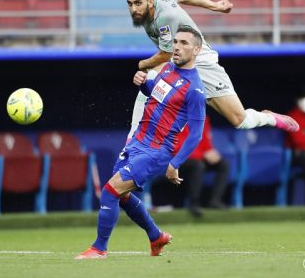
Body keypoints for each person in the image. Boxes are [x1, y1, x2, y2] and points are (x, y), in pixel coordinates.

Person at [75, 26, 207, 259]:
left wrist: (175, 163)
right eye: (175, 42)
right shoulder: (167, 68)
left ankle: (99, 249)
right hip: (137, 142)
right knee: (122, 197)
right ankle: (156, 236)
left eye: (184, 43)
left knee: (110, 190)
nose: (176, 46)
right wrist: (143, 83)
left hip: (157, 150)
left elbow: (196, 134)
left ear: (196, 50)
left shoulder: (195, 89)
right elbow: (156, 96)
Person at [126, 0, 299, 140]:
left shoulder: (165, 17)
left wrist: (143, 64)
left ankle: (268, 117)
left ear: (150, 2)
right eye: (130, 4)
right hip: (179, 62)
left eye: (138, 3)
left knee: (240, 120)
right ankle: (132, 139)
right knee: (148, 83)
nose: (133, 8)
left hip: (199, 62)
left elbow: (165, 53)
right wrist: (214, 5)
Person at [176, 115, 229, 217]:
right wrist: (202, 154)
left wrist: (209, 151)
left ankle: (215, 200)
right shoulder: (177, 115)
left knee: (223, 164)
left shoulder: (203, 117)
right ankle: (194, 203)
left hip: (197, 157)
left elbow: (205, 140)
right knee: (198, 165)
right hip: (177, 160)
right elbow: (176, 146)